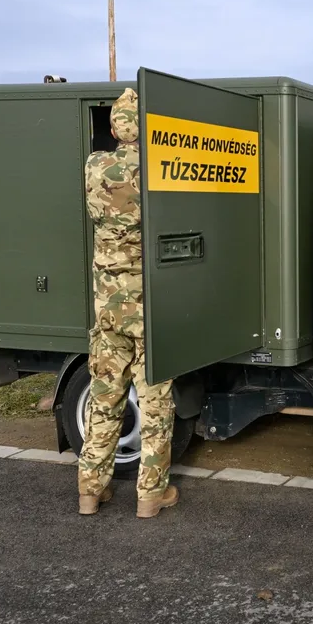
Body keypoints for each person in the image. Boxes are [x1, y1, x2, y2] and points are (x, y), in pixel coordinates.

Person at [76, 87, 179, 518]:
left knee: (104, 397)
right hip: (149, 306)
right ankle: (151, 496)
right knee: (155, 403)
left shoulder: (95, 164)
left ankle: (89, 490)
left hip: (108, 306)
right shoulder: (160, 168)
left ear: (116, 125)